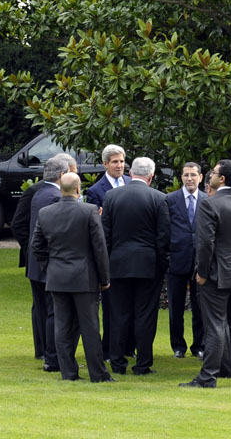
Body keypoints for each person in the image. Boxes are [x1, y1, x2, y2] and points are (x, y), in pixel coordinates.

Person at [181, 159, 231, 389]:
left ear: (222, 179)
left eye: (214, 173)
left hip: (216, 275)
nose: (211, 176)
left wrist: (202, 272)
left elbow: (205, 243)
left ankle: (208, 377)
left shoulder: (209, 204)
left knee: (215, 325)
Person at [31, 172, 114, 383]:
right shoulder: (89, 211)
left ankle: (68, 373)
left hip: (57, 278)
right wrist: (104, 278)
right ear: (79, 189)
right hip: (85, 278)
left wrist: (50, 267)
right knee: (90, 328)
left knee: (62, 327)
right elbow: (99, 248)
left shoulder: (45, 213)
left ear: (60, 189)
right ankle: (98, 374)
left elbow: (37, 246)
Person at [101, 156, 170, 375]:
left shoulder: (111, 196)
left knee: (118, 314)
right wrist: (161, 265)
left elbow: (105, 235)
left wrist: (107, 263)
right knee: (146, 314)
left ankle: (117, 361)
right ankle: (143, 363)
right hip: (148, 265)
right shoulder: (159, 198)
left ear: (131, 174)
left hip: (118, 264)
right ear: (151, 176)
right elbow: (163, 237)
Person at [10, 155, 77, 361]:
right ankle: (50, 353)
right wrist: (32, 250)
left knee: (44, 309)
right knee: (51, 310)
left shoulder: (40, 193)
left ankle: (46, 352)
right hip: (47, 262)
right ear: (62, 174)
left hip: (38, 261)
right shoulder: (50, 196)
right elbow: (21, 225)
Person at [85, 144, 132, 356]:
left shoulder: (131, 183)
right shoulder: (96, 191)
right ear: (105, 164)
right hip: (110, 254)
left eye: (122, 161)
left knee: (130, 304)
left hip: (130, 252)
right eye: (115, 162)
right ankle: (110, 348)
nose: (119, 165)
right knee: (111, 306)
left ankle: (128, 346)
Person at [165, 162, 207, 359]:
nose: (189, 179)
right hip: (176, 259)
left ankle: (199, 345)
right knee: (175, 307)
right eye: (186, 175)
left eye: (193, 175)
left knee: (200, 307)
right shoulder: (170, 199)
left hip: (200, 261)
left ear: (201, 177)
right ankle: (178, 346)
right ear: (181, 177)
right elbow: (164, 229)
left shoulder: (207, 200)